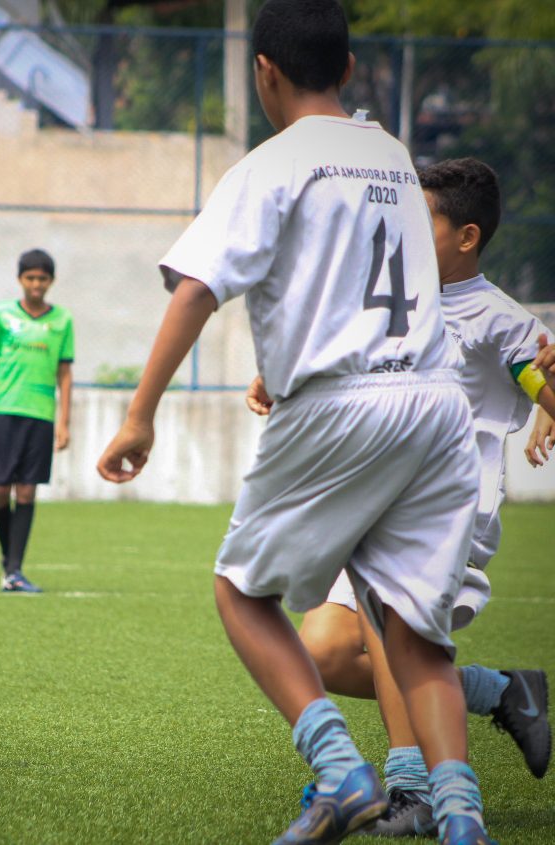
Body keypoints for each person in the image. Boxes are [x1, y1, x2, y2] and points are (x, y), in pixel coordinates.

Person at [97, 2, 497, 842]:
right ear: (349, 70)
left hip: (342, 400)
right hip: (435, 404)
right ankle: (462, 818)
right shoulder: (390, 155)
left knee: (241, 590)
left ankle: (340, 770)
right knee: (414, 630)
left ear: (263, 71)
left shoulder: (270, 167)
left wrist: (140, 414)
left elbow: (197, 289)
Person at [288, 158, 554, 836]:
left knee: (383, 626)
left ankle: (415, 787)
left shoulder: (500, 323)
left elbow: (540, 385)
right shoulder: (398, 300)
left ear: (467, 237)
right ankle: (499, 691)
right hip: (382, 498)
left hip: (448, 512)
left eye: (421, 221)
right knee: (323, 647)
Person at [0, 249, 74, 594]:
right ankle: (8, 559)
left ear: (51, 282)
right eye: (30, 278)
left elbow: (65, 373)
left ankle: (15, 570)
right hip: (6, 411)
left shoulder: (63, 321)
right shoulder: (2, 315)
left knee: (26, 491)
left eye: (42, 279)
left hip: (41, 415)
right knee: (0, 490)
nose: (36, 285)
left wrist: (64, 422)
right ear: (20, 280)